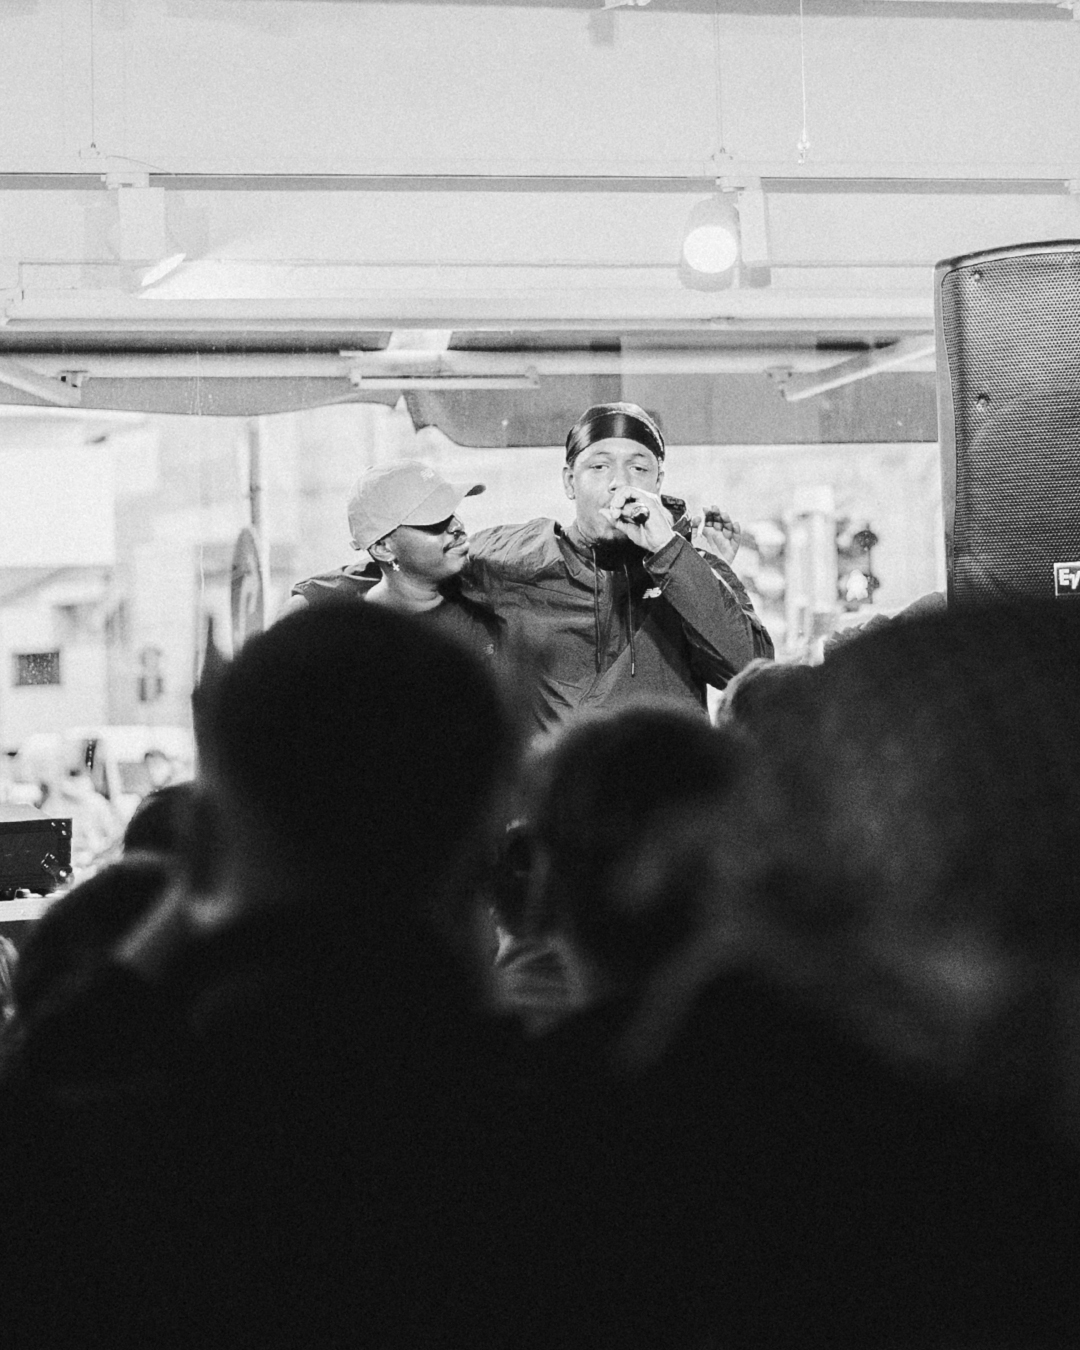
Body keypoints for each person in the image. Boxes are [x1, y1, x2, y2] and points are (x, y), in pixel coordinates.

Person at [0, 602, 528, 1349]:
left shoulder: (121, 1131)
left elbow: (39, 1087)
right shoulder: (557, 1127)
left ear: (214, 825)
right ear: (482, 822)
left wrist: (178, 906)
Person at [460, 401, 773, 732]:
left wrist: (675, 555)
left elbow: (753, 677)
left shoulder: (687, 564)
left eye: (638, 469)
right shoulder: (513, 558)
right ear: (569, 482)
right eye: (599, 467)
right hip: (562, 765)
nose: (619, 482)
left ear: (658, 483)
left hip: (672, 763)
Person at [281, 457, 498, 661]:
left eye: (452, 512)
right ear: (383, 548)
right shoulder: (333, 630)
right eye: (435, 522)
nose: (457, 526)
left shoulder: (493, 595)